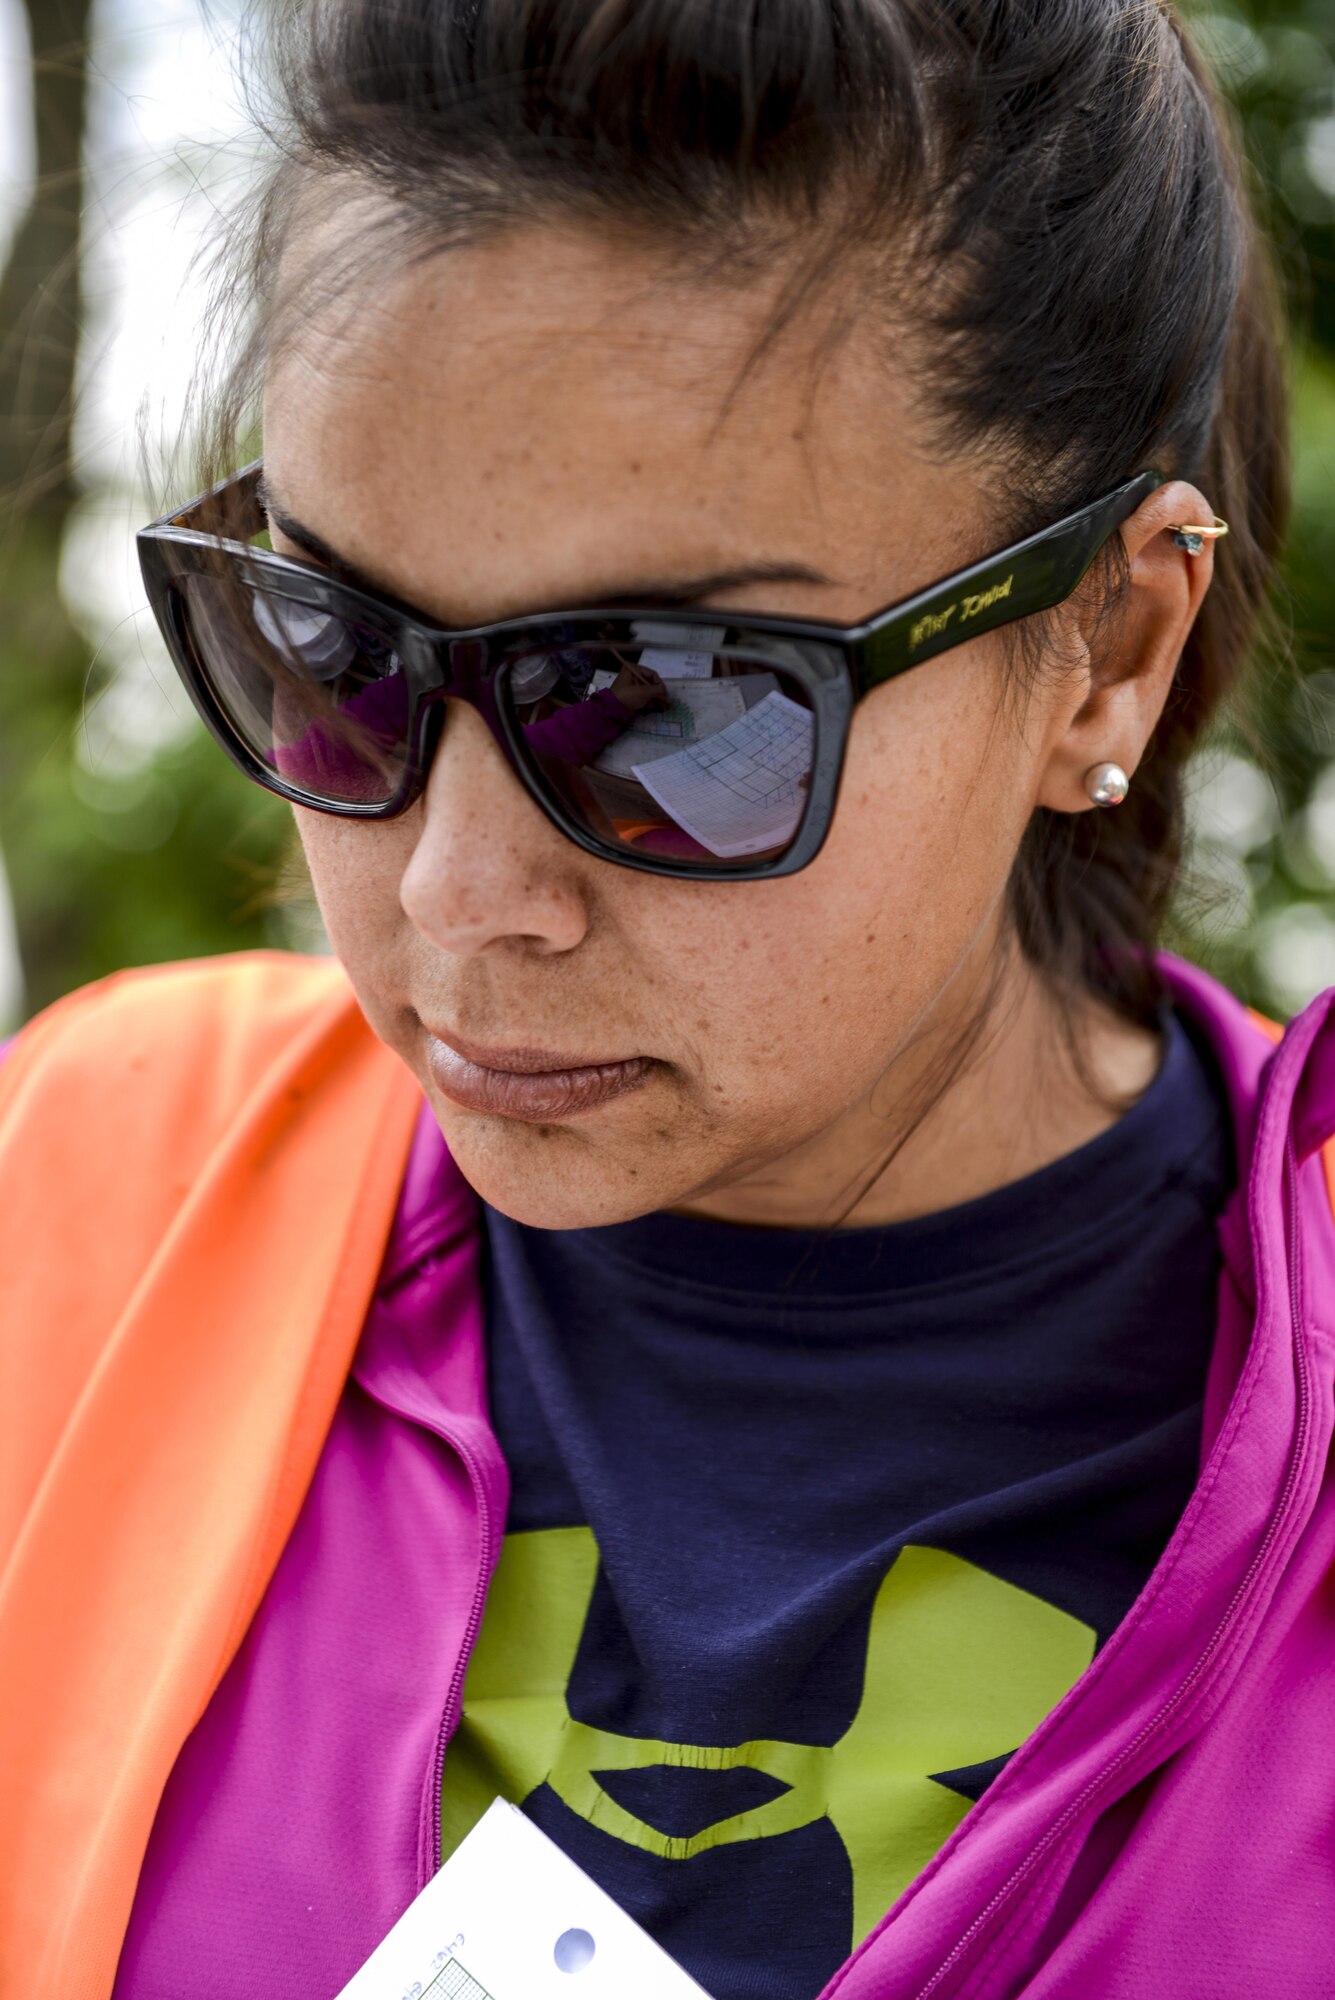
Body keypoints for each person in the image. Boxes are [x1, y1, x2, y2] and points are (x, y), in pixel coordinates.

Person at [2, 3, 1332, 1998]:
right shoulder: (91, 1183)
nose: (457, 896)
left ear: (1106, 652)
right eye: (332, 640)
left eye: (676, 704)